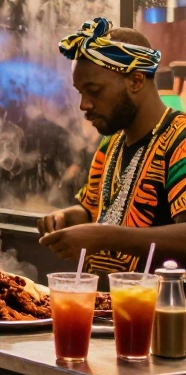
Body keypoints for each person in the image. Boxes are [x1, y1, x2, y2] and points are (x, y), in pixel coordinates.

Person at [39, 17, 186, 273]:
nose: (83, 105)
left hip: (165, 310)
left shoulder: (179, 139)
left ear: (136, 81)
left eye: (94, 90)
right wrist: (64, 218)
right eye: (80, 92)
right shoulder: (111, 142)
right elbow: (92, 210)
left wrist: (104, 236)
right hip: (107, 307)